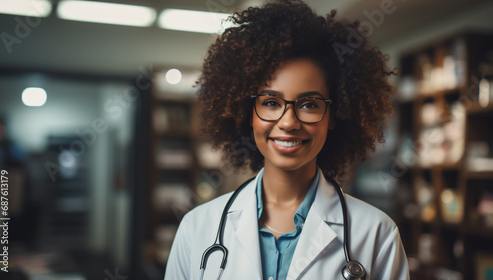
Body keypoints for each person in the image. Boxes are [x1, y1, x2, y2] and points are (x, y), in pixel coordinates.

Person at [165, 0, 409, 279]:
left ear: (334, 116)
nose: (289, 122)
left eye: (309, 105)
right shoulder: (197, 228)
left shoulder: (376, 233)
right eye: (270, 102)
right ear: (247, 113)